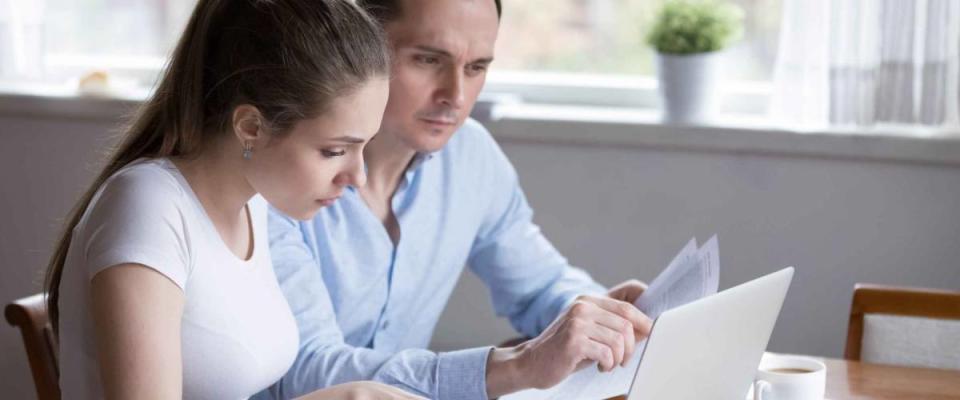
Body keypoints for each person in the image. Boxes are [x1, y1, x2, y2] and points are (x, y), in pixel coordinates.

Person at [262, 0, 654, 399]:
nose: (456, 95)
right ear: (359, 45)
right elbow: (306, 370)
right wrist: (519, 364)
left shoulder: (470, 155)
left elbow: (540, 285)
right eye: (429, 60)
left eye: (476, 67)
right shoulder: (280, 174)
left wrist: (600, 316)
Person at [43, 0, 421, 398]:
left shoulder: (251, 204)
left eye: (364, 147)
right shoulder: (148, 209)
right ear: (251, 127)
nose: (357, 177)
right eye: (333, 151)